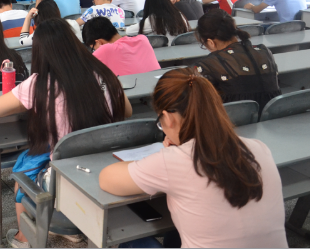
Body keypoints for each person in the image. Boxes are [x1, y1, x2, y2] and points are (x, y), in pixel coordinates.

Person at [0, 19, 132, 249]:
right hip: (107, 167)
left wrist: (26, 102)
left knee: (23, 174)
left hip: (67, 178)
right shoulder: (104, 73)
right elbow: (127, 111)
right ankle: (71, 226)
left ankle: (24, 238)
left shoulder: (39, 84)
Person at [99, 68, 286, 249]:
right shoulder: (258, 148)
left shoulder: (173, 161)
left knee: (135, 242)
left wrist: (159, 158)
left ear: (168, 118)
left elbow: (106, 179)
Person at [194, 9, 280, 111]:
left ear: (210, 42)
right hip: (273, 114)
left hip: (238, 117)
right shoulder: (263, 51)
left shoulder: (209, 64)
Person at [84, 17, 160, 76]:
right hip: (158, 87)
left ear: (99, 42)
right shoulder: (143, 39)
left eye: (93, 48)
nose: (94, 51)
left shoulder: (104, 50)